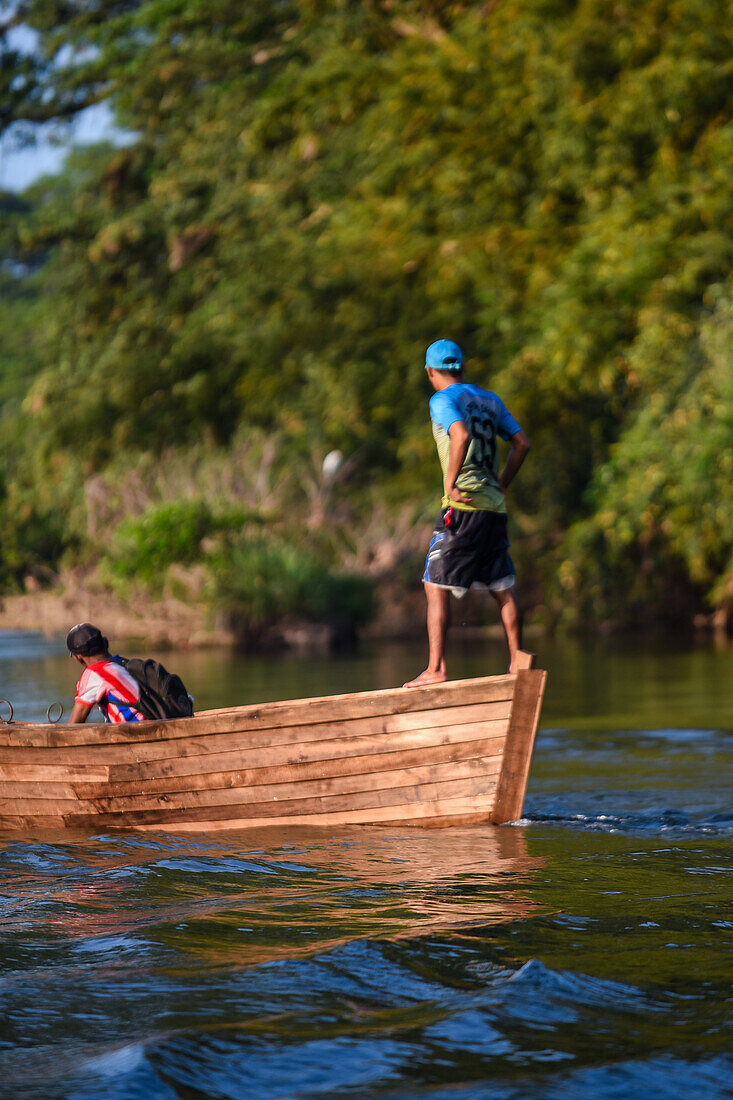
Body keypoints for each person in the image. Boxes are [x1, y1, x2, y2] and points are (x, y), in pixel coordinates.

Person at [404, 339, 530, 687]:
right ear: (460, 367)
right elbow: (522, 443)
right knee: (502, 587)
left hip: (463, 506)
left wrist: (450, 482)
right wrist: (504, 482)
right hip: (494, 507)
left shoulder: (442, 399)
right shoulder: (491, 400)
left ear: (430, 371)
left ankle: (436, 670)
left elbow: (459, 435)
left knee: (434, 586)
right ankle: (519, 663)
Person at [66, 622, 147, 724]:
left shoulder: (94, 672)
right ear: (105, 643)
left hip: (136, 732)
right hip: (154, 724)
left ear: (78, 658)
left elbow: (73, 725)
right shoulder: (124, 663)